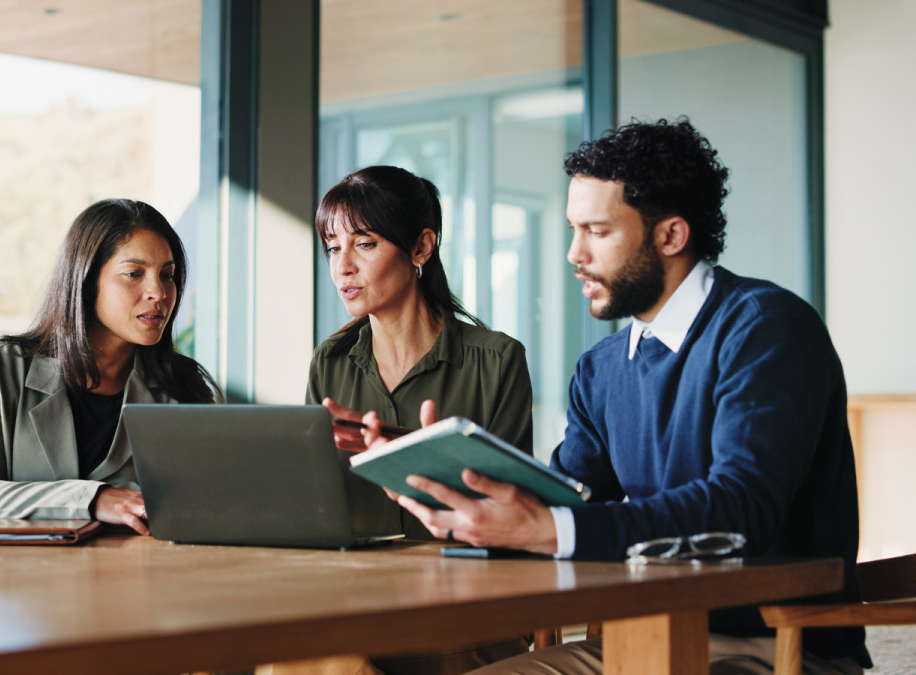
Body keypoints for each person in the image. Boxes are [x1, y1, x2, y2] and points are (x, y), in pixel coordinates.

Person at [362, 120, 870, 675]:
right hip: (635, 640)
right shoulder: (603, 369)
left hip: (773, 645)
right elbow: (569, 500)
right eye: (573, 229)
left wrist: (546, 527)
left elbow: (741, 508)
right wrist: (451, 482)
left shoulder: (766, 329)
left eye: (597, 232)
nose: (573, 253)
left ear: (671, 236)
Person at [297, 165, 535, 674]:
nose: (343, 267)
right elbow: (315, 510)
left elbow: (519, 519)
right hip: (356, 611)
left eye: (364, 244)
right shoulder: (329, 362)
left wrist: (438, 463)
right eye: (333, 248)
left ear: (422, 247)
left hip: (463, 616)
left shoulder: (496, 361)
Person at [0, 199, 219, 533]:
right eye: (134, 274)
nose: (159, 292)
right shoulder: (2, 370)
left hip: (142, 579)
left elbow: (209, 504)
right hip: (24, 582)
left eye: (168, 275)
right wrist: (93, 499)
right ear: (86, 281)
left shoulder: (185, 387)